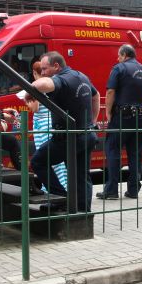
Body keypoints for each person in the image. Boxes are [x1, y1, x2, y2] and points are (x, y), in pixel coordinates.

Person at [26, 52, 99, 212]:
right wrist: (92, 122)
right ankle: (83, 212)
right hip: (87, 134)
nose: (43, 72)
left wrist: (29, 90)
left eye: (45, 68)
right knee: (81, 176)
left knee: (38, 161)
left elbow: (43, 84)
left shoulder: (61, 79)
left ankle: (61, 198)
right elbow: (96, 96)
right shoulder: (81, 76)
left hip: (67, 137)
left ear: (56, 66)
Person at [97, 44, 142, 200]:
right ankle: (133, 190)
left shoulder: (119, 68)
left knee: (113, 149)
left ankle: (112, 190)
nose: (118, 58)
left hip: (122, 116)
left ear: (125, 55)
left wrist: (108, 111)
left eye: (119, 56)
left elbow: (110, 91)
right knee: (135, 153)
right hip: (141, 117)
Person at [26, 56, 68, 191]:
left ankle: (52, 188)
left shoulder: (36, 87)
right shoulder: (49, 86)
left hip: (42, 127)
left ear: (34, 73)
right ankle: (61, 185)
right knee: (54, 160)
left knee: (45, 158)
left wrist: (26, 100)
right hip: (48, 124)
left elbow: (35, 108)